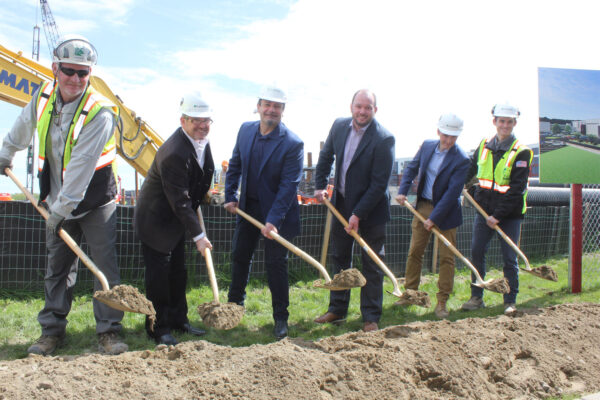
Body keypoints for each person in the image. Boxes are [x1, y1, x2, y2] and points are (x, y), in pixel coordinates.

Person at [0, 35, 127, 355]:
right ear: (55, 68)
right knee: (58, 268)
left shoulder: (100, 113)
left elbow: (81, 169)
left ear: (90, 75)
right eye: (69, 70)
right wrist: (6, 153)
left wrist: (59, 213)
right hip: (57, 198)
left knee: (104, 268)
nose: (75, 79)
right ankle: (52, 331)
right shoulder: (43, 95)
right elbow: (21, 127)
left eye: (83, 73)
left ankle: (109, 331)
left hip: (96, 201)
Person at [134, 92, 215, 345]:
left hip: (177, 220)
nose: (202, 125)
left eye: (206, 120)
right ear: (183, 121)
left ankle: (180, 320)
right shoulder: (174, 152)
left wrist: (203, 194)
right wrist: (199, 236)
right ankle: (158, 329)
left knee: (178, 273)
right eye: (195, 120)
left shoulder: (202, 141)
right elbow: (179, 200)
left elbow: (201, 175)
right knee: (159, 277)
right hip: (156, 221)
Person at [224, 86, 303, 340]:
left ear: (283, 110)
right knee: (240, 256)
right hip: (248, 207)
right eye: (267, 105)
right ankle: (234, 307)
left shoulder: (292, 143)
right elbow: (234, 164)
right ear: (258, 106)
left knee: (275, 265)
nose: (271, 110)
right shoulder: (246, 130)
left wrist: (273, 221)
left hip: (278, 214)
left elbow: (288, 187)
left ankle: (281, 318)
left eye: (277, 106)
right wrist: (230, 195)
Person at [313, 89, 395, 332]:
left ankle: (370, 316)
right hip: (341, 205)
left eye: (367, 108)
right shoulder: (339, 127)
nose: (362, 111)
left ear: (375, 111)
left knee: (371, 262)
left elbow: (379, 184)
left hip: (371, 211)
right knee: (340, 260)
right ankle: (337, 310)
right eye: (358, 106)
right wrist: (320, 185)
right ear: (351, 107)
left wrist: (358, 214)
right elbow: (326, 156)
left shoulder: (384, 138)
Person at [395, 113, 470, 318]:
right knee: (415, 252)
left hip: (446, 213)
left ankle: (442, 302)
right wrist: (402, 190)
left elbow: (452, 192)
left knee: (447, 258)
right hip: (423, 206)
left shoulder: (462, 159)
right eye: (445, 135)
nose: (448, 141)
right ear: (438, 131)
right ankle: (410, 294)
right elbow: (411, 168)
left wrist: (434, 218)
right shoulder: (427, 146)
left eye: (453, 137)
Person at [461, 103, 533, 315]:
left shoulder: (522, 152)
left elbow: (517, 189)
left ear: (514, 124)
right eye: (501, 121)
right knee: (476, 252)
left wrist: (497, 216)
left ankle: (509, 300)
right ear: (495, 122)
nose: (505, 125)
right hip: (483, 213)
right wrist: (460, 184)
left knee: (509, 259)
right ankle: (476, 296)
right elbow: (470, 169)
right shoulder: (484, 145)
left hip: (509, 216)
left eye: (509, 122)